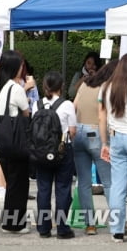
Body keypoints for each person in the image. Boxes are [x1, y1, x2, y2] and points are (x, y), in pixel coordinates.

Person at [72, 60, 118, 235]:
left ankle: (89, 224)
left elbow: (74, 105)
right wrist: (105, 142)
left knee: (83, 182)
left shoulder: (85, 83)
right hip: (96, 134)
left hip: (79, 132)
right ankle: (116, 223)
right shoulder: (107, 88)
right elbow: (102, 117)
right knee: (109, 182)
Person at [31, 71, 77, 239]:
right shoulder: (67, 105)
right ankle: (63, 228)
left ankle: (44, 228)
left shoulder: (37, 105)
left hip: (41, 153)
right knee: (63, 189)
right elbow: (72, 131)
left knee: (43, 189)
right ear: (62, 86)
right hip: (62, 151)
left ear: (44, 86)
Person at [0, 50, 30, 234]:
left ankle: (9, 222)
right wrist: (28, 88)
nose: (23, 68)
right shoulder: (16, 88)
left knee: (12, 183)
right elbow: (26, 113)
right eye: (21, 65)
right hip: (17, 143)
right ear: (15, 67)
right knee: (19, 184)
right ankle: (15, 224)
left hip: (3, 141)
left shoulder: (0, 86)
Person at [99, 53, 127, 243]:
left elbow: (102, 118)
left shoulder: (107, 88)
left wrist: (104, 143)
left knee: (117, 187)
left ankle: (117, 230)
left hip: (116, 139)